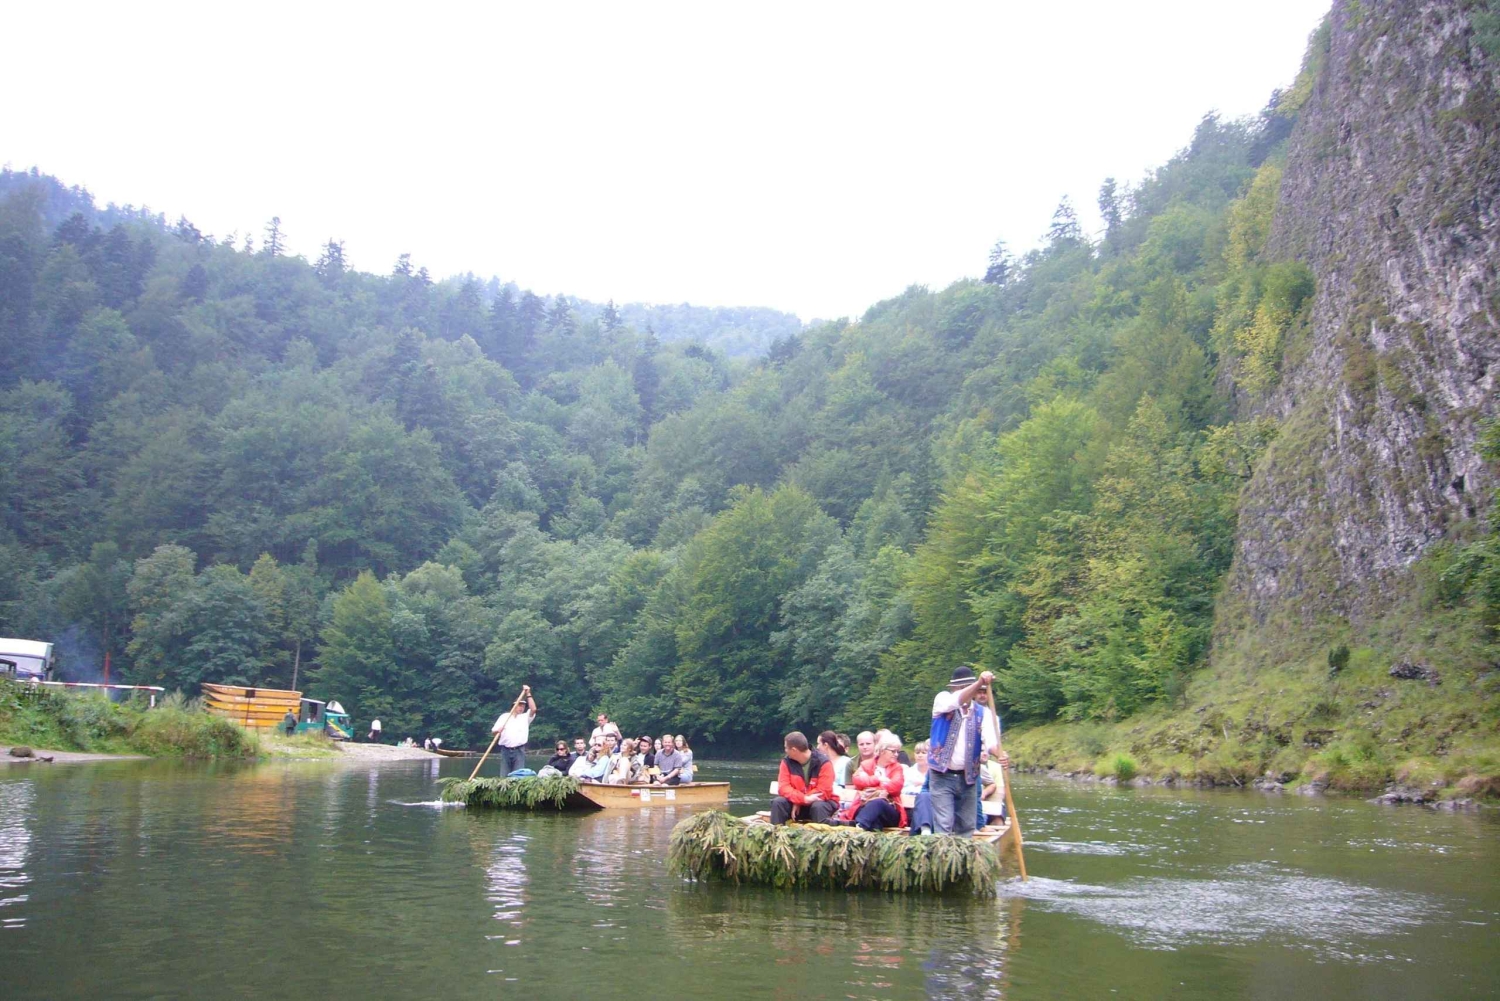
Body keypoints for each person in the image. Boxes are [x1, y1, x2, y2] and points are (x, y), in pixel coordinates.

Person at [928, 666, 997, 836]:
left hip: (968, 778)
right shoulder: (942, 700)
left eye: (966, 687)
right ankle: (942, 859)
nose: (963, 691)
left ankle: (962, 860)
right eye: (960, 688)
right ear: (953, 689)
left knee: (966, 826)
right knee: (943, 825)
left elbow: (991, 741)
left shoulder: (984, 713)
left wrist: (1000, 754)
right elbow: (956, 701)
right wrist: (980, 682)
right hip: (941, 775)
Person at [837, 731, 906, 830]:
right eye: (893, 751)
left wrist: (870, 784)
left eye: (897, 751)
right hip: (866, 806)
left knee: (878, 802)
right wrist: (878, 779)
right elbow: (857, 780)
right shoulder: (866, 764)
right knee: (874, 821)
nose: (896, 754)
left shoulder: (897, 767)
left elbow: (896, 786)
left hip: (890, 810)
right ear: (882, 750)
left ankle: (859, 827)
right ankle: (866, 838)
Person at [770, 731, 838, 825]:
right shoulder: (786, 763)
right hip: (799, 802)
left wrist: (800, 801)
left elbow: (824, 791)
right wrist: (803, 799)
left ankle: (820, 835)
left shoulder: (823, 763)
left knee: (818, 806)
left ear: (794, 750)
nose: (785, 750)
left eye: (786, 747)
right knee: (778, 802)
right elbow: (783, 788)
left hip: (821, 802)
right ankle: (776, 833)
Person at [491, 686, 538, 776]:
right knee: (504, 775)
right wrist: (498, 731)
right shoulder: (504, 717)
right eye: (519, 705)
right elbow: (493, 732)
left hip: (519, 750)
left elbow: (533, 709)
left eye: (523, 706)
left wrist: (528, 693)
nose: (521, 708)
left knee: (518, 775)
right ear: (514, 706)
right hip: (505, 750)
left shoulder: (525, 717)